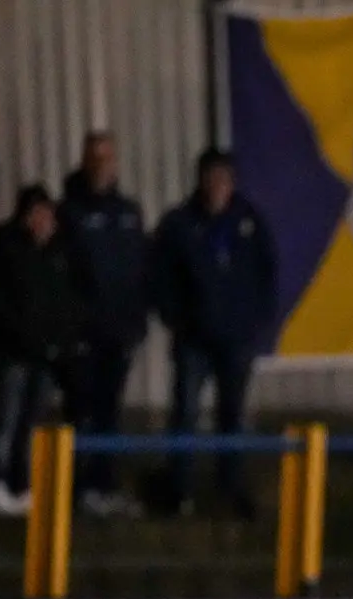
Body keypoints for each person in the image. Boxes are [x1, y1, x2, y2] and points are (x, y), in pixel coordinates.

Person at [151, 148, 276, 519]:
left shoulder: (248, 222)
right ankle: (179, 490)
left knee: (232, 414)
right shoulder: (179, 224)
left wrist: (255, 321)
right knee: (186, 414)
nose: (217, 186)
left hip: (236, 340)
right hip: (194, 340)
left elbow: (266, 274)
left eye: (223, 178)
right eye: (211, 178)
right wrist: (178, 319)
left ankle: (231, 485)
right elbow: (160, 277)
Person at [58, 131, 150, 516]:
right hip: (83, 337)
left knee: (110, 412)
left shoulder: (129, 212)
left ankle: (103, 485)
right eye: (94, 158)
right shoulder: (69, 212)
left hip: (119, 333)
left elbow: (142, 270)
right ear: (84, 161)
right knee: (81, 411)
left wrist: (138, 322)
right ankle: (75, 489)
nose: (101, 165)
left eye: (107, 158)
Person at [0, 185, 83, 517]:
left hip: (45, 356)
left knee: (33, 422)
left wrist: (61, 344)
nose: (44, 221)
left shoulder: (56, 253)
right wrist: (20, 335)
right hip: (12, 352)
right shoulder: (3, 245)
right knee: (7, 418)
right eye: (38, 214)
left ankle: (23, 482)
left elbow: (64, 302)